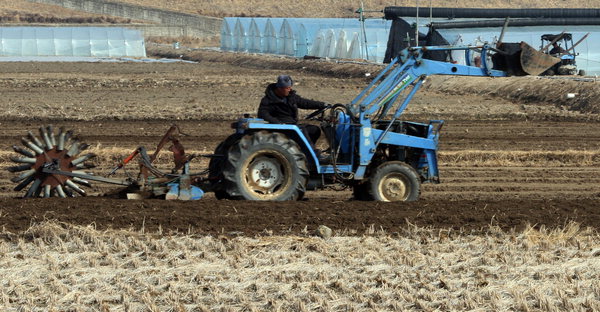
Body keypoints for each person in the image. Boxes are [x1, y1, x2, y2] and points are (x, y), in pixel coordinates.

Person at [257, 75, 328, 151]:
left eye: (290, 87)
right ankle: (312, 152)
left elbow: (304, 103)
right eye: (287, 88)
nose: (289, 89)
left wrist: (322, 105)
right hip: (282, 128)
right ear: (279, 88)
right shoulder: (268, 100)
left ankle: (305, 152)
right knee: (302, 130)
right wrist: (278, 123)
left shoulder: (290, 97)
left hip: (292, 125)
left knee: (314, 130)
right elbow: (263, 114)